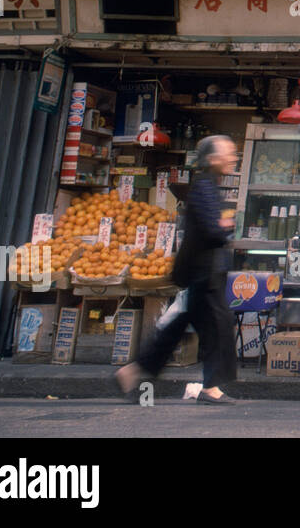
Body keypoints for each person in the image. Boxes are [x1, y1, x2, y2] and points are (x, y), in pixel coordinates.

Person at [115, 135, 240, 404]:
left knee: (184, 327)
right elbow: (212, 230)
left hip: (203, 272)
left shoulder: (207, 186)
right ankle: (209, 388)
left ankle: (134, 370)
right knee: (217, 327)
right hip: (204, 272)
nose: (233, 158)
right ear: (212, 159)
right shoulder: (205, 187)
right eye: (228, 153)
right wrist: (225, 227)